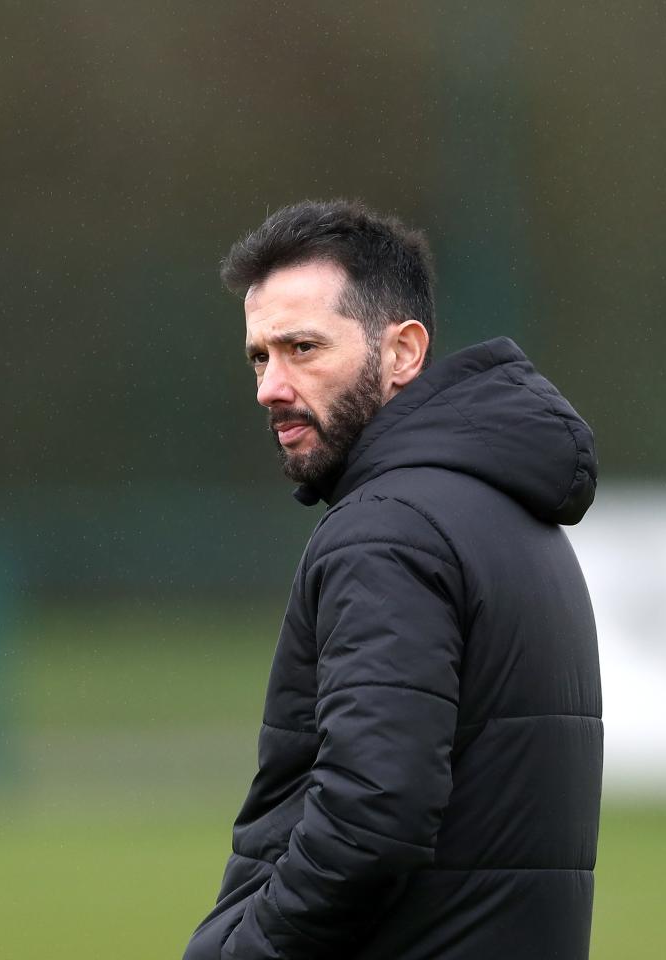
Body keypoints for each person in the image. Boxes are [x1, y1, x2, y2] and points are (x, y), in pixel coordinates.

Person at [183, 200, 602, 960]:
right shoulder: (505, 509)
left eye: (302, 348)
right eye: (259, 356)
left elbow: (371, 816)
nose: (270, 387)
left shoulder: (390, 529)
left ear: (403, 351)